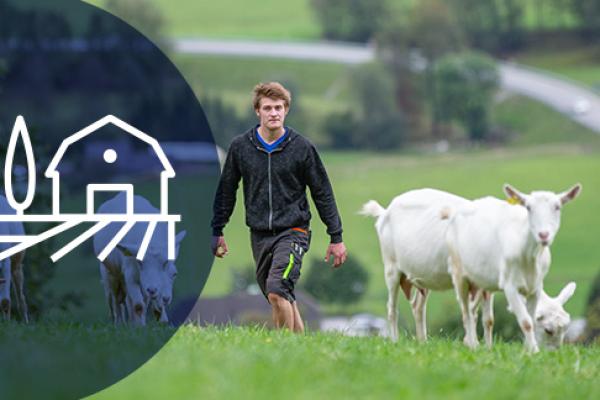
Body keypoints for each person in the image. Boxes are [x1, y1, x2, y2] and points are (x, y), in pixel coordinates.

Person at [211, 81, 347, 332]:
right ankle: (299, 352)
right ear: (258, 111)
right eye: (267, 108)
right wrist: (217, 231)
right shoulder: (241, 147)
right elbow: (226, 191)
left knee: (276, 291)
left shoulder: (302, 148)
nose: (273, 113)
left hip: (294, 231)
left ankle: (281, 350)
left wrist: (335, 236)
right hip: (259, 234)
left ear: (286, 110)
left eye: (278, 108)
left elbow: (322, 193)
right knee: (282, 296)